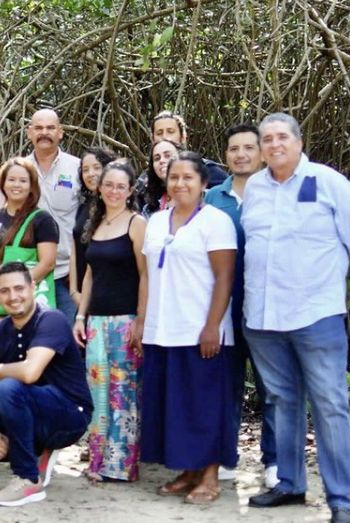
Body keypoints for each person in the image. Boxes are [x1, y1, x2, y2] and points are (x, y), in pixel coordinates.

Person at [242, 114, 350, 523]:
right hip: (263, 317)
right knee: (282, 401)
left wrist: (320, 270)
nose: (274, 144)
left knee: (330, 405)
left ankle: (341, 501)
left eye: (282, 136)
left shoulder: (327, 181)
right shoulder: (255, 189)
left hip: (315, 314)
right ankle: (290, 483)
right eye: (267, 139)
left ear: (299, 142)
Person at [0, 262, 93, 507]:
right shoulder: (0, 331)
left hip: (69, 415)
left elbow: (30, 373)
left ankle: (27, 479)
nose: (13, 296)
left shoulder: (51, 319)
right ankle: (32, 453)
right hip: (24, 411)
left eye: (19, 288)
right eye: (6, 291)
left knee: (9, 388)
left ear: (33, 287)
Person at [134, 152, 237, 504]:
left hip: (200, 329)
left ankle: (209, 475)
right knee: (175, 405)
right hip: (163, 329)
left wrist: (213, 327)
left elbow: (225, 277)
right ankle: (189, 469)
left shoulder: (215, 221)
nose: (179, 184)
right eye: (173, 177)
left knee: (204, 403)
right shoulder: (158, 221)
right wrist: (142, 320)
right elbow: (147, 275)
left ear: (204, 183)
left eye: (187, 178)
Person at [204, 124, 276, 486]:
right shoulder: (213, 198)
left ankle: (274, 461)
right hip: (224, 307)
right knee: (225, 384)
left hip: (268, 307)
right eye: (234, 148)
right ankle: (226, 455)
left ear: (262, 153)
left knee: (271, 386)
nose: (241, 154)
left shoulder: (278, 193)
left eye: (249, 147)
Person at [72, 162, 146, 482]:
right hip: (96, 322)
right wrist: (80, 316)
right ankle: (98, 462)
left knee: (123, 393)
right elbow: (89, 275)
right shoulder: (96, 223)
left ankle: (122, 465)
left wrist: (141, 320)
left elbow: (146, 274)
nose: (114, 191)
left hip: (125, 320)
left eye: (121, 186)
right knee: (98, 392)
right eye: (108, 185)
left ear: (130, 191)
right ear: (99, 188)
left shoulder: (136, 222)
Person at [0, 109, 82, 322]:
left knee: (68, 338)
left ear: (61, 132)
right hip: (27, 275)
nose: (44, 133)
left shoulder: (77, 168)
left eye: (50, 128)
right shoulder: (17, 172)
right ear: (29, 133)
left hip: (66, 274)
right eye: (38, 128)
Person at [0, 157, 58, 323]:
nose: (16, 185)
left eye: (23, 181)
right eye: (11, 180)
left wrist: (14, 288)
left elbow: (47, 263)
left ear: (32, 186)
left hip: (30, 302)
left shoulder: (42, 220)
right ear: (3, 183)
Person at [69, 147, 115, 310]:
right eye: (85, 170)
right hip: (81, 295)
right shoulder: (83, 206)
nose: (91, 174)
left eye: (97, 167)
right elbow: (75, 249)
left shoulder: (116, 207)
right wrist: (74, 291)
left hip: (109, 295)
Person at [149, 110, 227, 188]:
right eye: (159, 133)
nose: (165, 137)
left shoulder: (207, 171)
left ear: (183, 137)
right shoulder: (146, 181)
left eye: (170, 132)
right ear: (153, 139)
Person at [138, 139, 182, 218]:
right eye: (157, 158)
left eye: (167, 156)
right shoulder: (148, 210)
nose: (161, 161)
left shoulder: (204, 198)